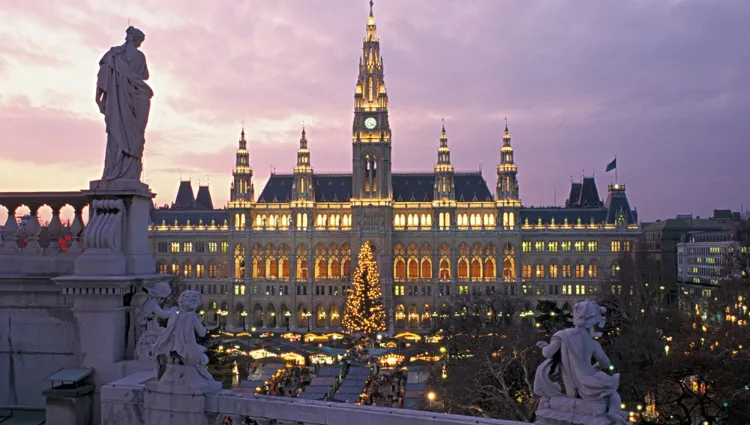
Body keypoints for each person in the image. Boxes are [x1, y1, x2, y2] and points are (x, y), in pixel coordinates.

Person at [534, 301, 626, 423]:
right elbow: (605, 363)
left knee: (608, 389)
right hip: (589, 383)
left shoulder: (562, 335)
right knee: (613, 393)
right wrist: (596, 366)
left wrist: (544, 346)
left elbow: (547, 353)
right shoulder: (593, 343)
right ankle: (613, 413)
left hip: (573, 388)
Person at [95, 26, 154, 181]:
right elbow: (144, 75)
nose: (141, 45)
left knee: (117, 134)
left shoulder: (112, 56)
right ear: (135, 39)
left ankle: (115, 169)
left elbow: (101, 78)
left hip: (117, 101)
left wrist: (98, 98)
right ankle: (128, 171)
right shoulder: (138, 57)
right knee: (134, 135)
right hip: (134, 99)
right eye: (140, 41)